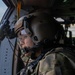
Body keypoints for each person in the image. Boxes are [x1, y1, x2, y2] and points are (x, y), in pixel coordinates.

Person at [14, 10, 75, 75]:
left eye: (24, 37)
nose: (21, 43)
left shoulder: (52, 61)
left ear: (39, 34)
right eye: (20, 39)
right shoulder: (46, 55)